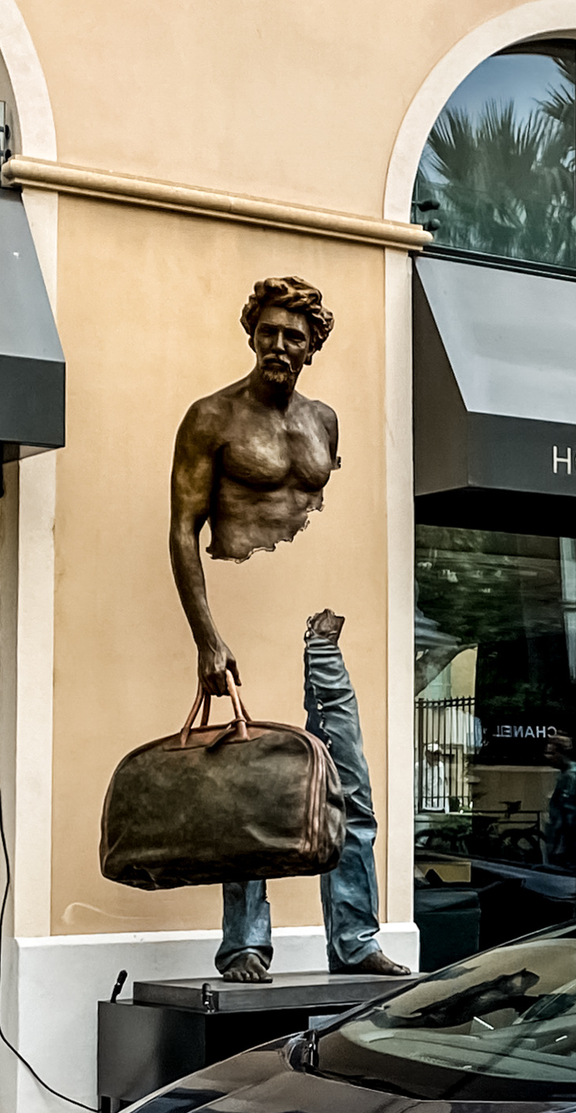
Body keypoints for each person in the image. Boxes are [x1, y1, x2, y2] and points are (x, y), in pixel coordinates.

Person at [167, 275, 408, 982]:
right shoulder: (210, 417)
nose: (279, 344)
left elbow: (324, 524)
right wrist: (206, 637)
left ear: (312, 347)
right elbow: (182, 530)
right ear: (252, 333)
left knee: (349, 789)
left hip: (320, 631)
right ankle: (245, 943)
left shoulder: (325, 421)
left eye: (293, 335)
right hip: (244, 624)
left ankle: (354, 937)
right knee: (250, 795)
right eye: (269, 331)